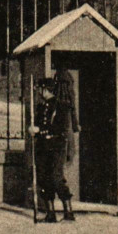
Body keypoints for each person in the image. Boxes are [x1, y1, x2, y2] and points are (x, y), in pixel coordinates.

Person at [29, 78, 77, 222]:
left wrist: (40, 130)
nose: (38, 91)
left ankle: (68, 212)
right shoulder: (41, 107)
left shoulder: (61, 106)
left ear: (45, 89)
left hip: (56, 146)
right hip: (43, 146)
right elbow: (38, 125)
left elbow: (60, 128)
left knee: (56, 177)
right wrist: (34, 130)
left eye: (40, 89)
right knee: (44, 177)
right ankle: (51, 213)